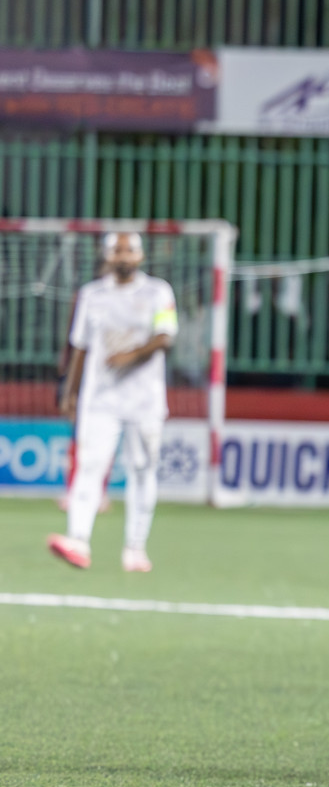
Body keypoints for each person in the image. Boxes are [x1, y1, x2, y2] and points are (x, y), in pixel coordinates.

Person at [48, 232, 178, 572]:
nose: (123, 256)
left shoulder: (158, 292)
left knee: (142, 469)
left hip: (144, 399)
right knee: (90, 466)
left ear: (140, 256)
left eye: (129, 250)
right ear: (106, 257)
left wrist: (132, 354)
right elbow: (80, 346)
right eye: (116, 250)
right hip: (101, 399)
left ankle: (135, 548)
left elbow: (165, 336)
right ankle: (78, 540)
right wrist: (70, 391)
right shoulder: (92, 296)